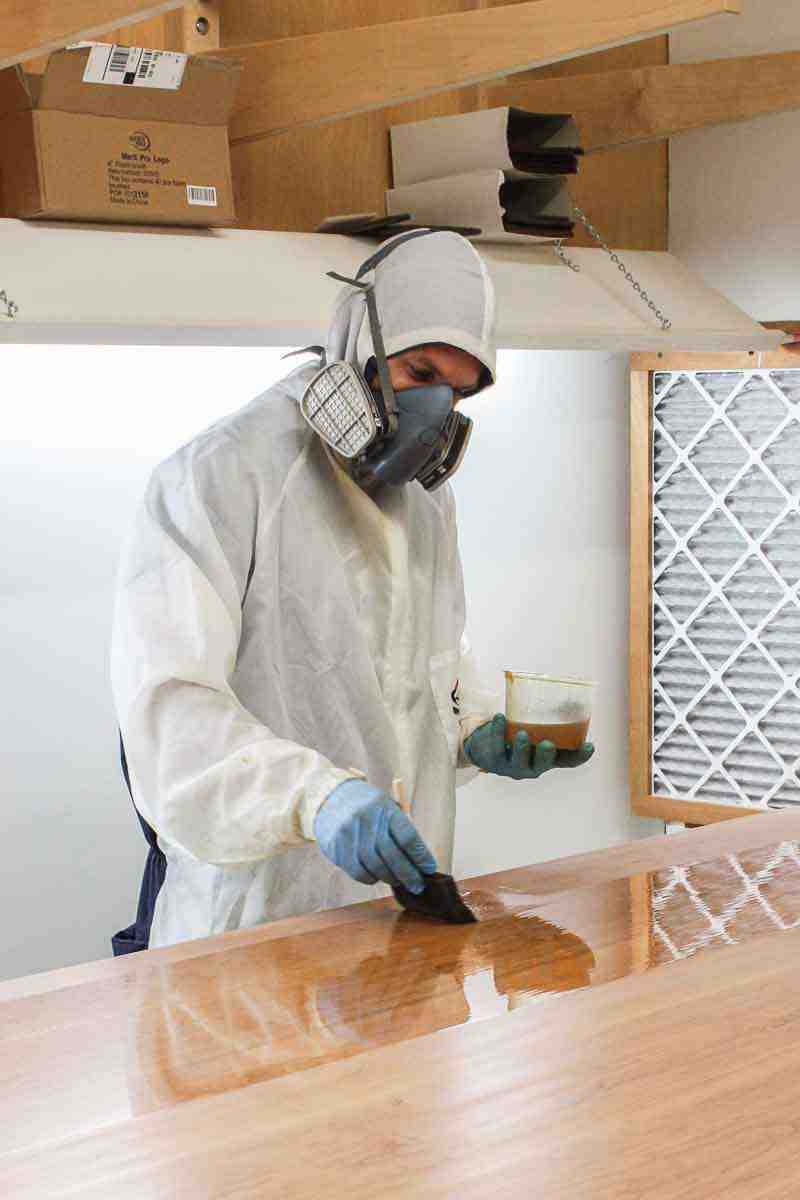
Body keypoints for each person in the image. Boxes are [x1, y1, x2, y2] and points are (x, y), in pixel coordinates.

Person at [110, 230, 594, 955]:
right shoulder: (219, 477)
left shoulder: (425, 501)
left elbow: (424, 667)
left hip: (397, 926)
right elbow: (171, 713)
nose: (434, 412)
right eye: (417, 372)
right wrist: (315, 796)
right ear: (352, 346)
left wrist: (474, 731)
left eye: (456, 392)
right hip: (251, 928)